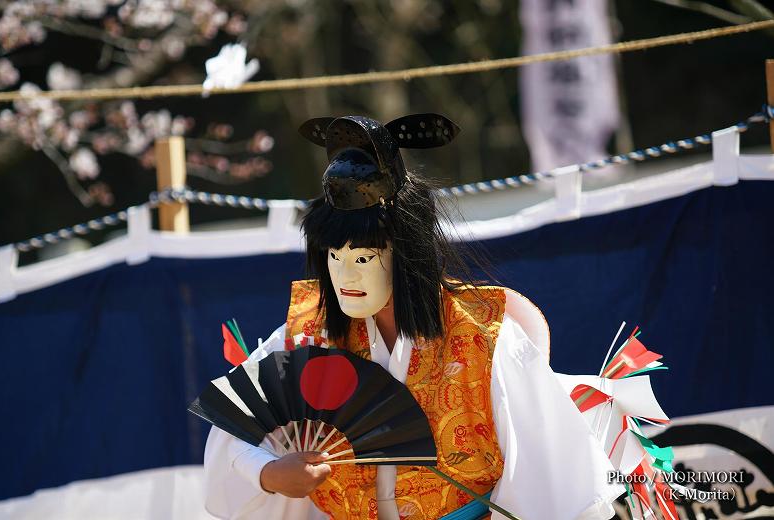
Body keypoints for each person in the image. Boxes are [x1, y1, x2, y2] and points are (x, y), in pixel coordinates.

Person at [203, 114, 623, 520]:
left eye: (363, 257)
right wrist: (269, 473)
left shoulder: (484, 338)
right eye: (333, 256)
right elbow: (230, 428)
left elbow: (554, 480)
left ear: (406, 253)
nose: (344, 275)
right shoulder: (307, 336)